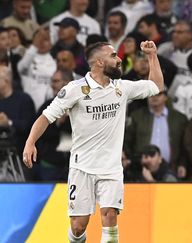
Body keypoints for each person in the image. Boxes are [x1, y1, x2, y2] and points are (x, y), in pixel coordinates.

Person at [22, 40, 164, 243]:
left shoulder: (122, 88)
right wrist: (30, 142)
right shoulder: (74, 90)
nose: (119, 59)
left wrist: (152, 56)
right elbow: (46, 117)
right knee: (78, 226)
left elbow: (157, 86)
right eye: (113, 56)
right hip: (82, 167)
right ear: (99, 62)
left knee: (110, 215)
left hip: (111, 168)